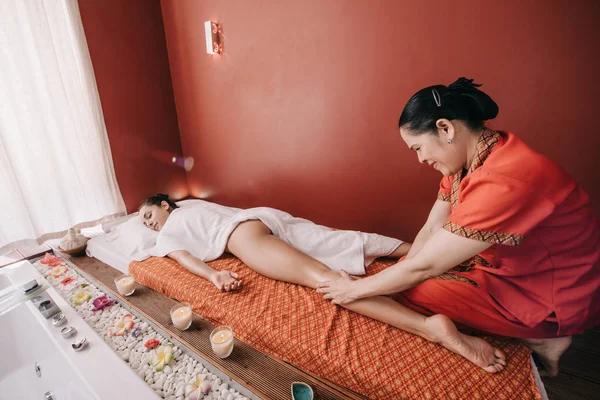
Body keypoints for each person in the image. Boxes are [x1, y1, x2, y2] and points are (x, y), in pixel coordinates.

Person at [317, 77, 600, 376]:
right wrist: (397, 274)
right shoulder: (476, 158)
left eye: (418, 148)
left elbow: (422, 268)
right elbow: (430, 230)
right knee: (401, 279)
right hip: (521, 269)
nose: (421, 158)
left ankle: (545, 335)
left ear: (445, 128)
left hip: (556, 292)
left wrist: (355, 290)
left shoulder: (506, 178)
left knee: (409, 293)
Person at [138, 195, 411, 292]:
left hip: (244, 233)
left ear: (164, 205)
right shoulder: (188, 210)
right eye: (144, 224)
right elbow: (182, 255)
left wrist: (213, 275)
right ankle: (420, 251)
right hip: (262, 216)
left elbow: (184, 256)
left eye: (148, 215)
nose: (149, 224)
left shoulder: (180, 214)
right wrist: (213, 274)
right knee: (332, 239)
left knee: (323, 278)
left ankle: (422, 320)